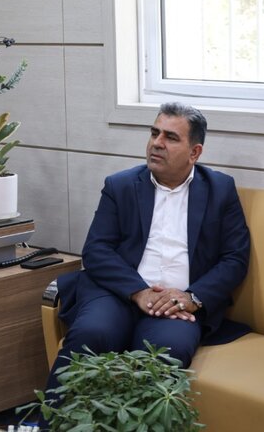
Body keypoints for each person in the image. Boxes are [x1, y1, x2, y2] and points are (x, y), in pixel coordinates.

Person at [45, 102, 251, 393]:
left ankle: (124, 418)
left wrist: (192, 297)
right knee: (92, 334)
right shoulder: (121, 185)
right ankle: (52, 417)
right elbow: (96, 250)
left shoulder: (220, 189)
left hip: (178, 304)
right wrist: (139, 292)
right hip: (118, 294)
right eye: (155, 133)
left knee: (167, 351)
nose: (157, 143)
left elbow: (235, 258)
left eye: (170, 137)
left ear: (194, 153)